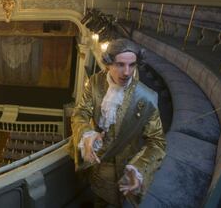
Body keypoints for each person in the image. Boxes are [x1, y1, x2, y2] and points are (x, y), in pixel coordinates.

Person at [69, 38, 166, 207]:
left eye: (132, 65)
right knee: (96, 197)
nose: (127, 72)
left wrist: (139, 169)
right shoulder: (95, 82)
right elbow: (81, 112)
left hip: (119, 170)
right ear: (108, 63)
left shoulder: (147, 98)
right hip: (93, 161)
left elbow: (157, 142)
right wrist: (87, 134)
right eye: (120, 65)